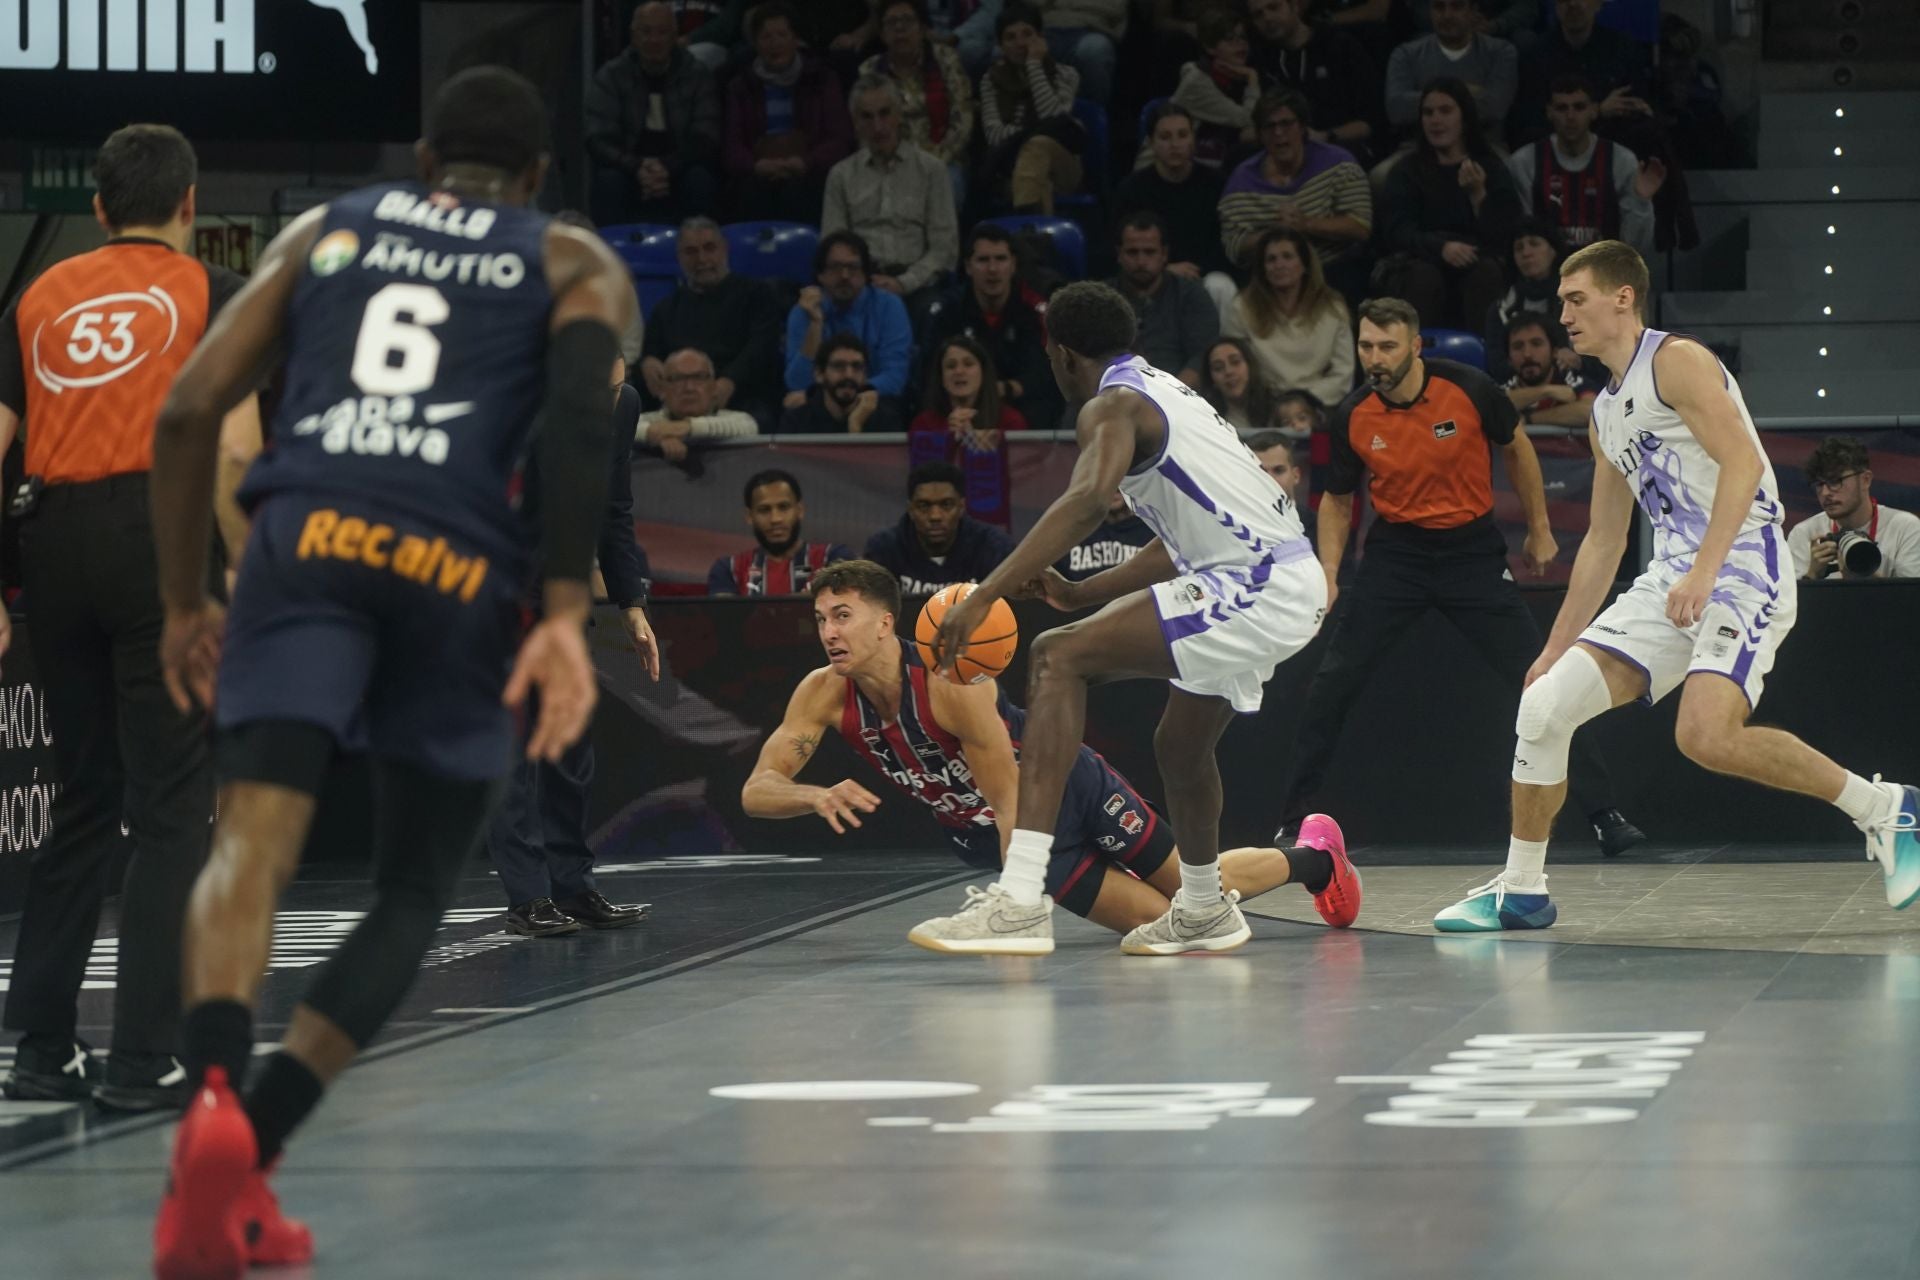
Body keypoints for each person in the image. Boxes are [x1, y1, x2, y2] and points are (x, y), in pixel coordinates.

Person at [144, 68, 634, 1275]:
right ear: (533, 180)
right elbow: (581, 427)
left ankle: (209, 1099)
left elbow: (190, 408)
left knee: (248, 845)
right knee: (413, 889)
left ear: (424, 160)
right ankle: (251, 1150)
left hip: (304, 538)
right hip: (452, 566)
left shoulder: (324, 229)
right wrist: (565, 611)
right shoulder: (574, 264)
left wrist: (182, 600)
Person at [1434, 241, 1920, 930]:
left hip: (1743, 566)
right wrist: (1556, 645)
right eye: (1563, 300)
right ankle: (1522, 889)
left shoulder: (1675, 360)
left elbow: (1746, 466)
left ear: (1622, 297)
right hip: (1671, 576)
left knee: (1705, 736)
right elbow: (1604, 540)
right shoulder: (1604, 410)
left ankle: (1887, 810)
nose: (1563, 312)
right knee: (1543, 706)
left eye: (1576, 298)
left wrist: (1704, 567)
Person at [913, 281, 1345, 956]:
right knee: (1180, 745)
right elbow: (1182, 535)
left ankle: (1021, 898)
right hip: (1278, 576)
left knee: (1058, 656)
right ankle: (1204, 909)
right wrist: (1084, 592)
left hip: (1259, 582)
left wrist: (982, 595)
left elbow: (1086, 500)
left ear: (1059, 353)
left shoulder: (1112, 405)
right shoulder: (1163, 388)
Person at [0, 124, 254, 1113]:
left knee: (82, 794)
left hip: (51, 546)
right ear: (190, 205)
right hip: (163, 540)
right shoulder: (212, 297)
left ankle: (38, 1045)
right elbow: (233, 453)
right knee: (172, 805)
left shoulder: (34, 300)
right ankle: (143, 1059)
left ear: (99, 208)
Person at [743, 560, 1355, 942]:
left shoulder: (953, 685)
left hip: (1064, 793)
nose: (828, 631)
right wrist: (812, 793)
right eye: (822, 617)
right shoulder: (821, 694)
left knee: (1194, 892)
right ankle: (1308, 858)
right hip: (1001, 837)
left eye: (842, 615)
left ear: (884, 623)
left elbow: (1011, 797)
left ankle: (1314, 858)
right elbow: (757, 789)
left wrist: (1017, 904)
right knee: (1168, 928)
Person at [1275, 297, 1641, 855]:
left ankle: (1605, 814)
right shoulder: (1352, 414)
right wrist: (1329, 570)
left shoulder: (1469, 388)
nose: (1375, 358)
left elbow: (1517, 448)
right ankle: (1292, 823)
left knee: (1542, 675)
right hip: (1396, 555)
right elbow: (1338, 499)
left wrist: (1540, 528)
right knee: (1332, 682)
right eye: (1367, 346)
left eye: (1388, 346)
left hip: (1471, 551)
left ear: (1415, 346)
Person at [489, 360, 659, 939]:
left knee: (569, 742)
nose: (606, 400)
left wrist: (630, 603)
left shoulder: (626, 405)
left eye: (613, 384)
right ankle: (527, 897)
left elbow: (613, 508)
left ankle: (574, 886)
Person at [1375, 77, 1523, 329]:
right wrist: (1441, 247)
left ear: (1464, 118)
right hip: (1418, 261)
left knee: (1485, 274)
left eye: (1445, 111)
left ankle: (1488, 361)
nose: (1435, 120)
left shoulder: (1490, 166)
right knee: (1423, 277)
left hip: (1477, 260)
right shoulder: (1407, 171)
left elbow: (1505, 235)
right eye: (1428, 112)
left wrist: (1478, 195)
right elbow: (1396, 231)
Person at [821, 77, 960, 336]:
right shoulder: (840, 175)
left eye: (885, 114)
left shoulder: (932, 170)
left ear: (899, 115)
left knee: (936, 312)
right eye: (867, 117)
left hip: (917, 284)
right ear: (855, 123)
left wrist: (903, 283)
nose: (878, 126)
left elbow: (944, 249)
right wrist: (860, 281)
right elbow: (833, 244)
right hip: (859, 283)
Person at [1218, 89, 1373, 301]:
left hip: (1332, 269)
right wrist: (1275, 233)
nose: (1279, 133)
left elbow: (1360, 226)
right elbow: (1234, 246)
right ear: (1260, 134)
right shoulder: (1241, 181)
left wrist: (1306, 224)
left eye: (1286, 123)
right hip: (1269, 277)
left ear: (1302, 127)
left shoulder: (1339, 164)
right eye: (1269, 126)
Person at [638, 217, 785, 429]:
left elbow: (762, 348)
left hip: (742, 399)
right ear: (679, 257)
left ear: (724, 249)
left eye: (709, 248)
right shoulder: (667, 308)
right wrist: (648, 362)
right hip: (680, 405)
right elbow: (650, 350)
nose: (702, 259)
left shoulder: (757, 295)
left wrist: (730, 381)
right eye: (691, 252)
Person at [586, 1, 721, 225]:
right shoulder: (611, 75)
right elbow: (597, 138)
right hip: (628, 169)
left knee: (700, 181)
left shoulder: (697, 74)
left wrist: (667, 167)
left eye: (662, 32)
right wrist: (637, 167)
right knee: (608, 182)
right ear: (633, 36)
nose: (654, 40)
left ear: (675, 35)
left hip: (680, 166)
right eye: (646, 32)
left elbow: (706, 135)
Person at [721, 1, 854, 224]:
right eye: (766, 37)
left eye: (782, 35)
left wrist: (806, 162)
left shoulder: (822, 78)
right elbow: (732, 146)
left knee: (802, 191)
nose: (775, 44)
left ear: (796, 39)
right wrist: (756, 166)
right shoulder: (740, 86)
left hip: (808, 170)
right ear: (755, 43)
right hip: (758, 172)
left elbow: (840, 139)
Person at [921, 223, 1060, 430]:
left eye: (1000, 259)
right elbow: (930, 371)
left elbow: (1043, 375)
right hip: (958, 402)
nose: (993, 269)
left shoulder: (1034, 310)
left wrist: (1002, 390)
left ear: (1013, 264)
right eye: (983, 260)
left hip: (1017, 405)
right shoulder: (947, 312)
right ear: (968, 267)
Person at [1509, 76, 1664, 254]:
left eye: (1579, 107)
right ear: (1549, 112)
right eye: (1561, 108)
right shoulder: (1525, 162)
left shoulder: (1621, 160)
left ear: (1594, 111)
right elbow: (1522, 240)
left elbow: (1635, 248)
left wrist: (1641, 202)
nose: (1570, 116)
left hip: (1605, 272)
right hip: (1548, 275)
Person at [1112, 103, 1235, 311]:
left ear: (1193, 140)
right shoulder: (1131, 190)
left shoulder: (1217, 185)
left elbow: (1224, 243)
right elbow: (1119, 249)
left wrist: (1195, 271)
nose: (1175, 144)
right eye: (1165, 137)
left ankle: (1223, 345)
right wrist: (1163, 268)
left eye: (1182, 135)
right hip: (1152, 277)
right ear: (1151, 142)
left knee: (1221, 285)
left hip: (1204, 276)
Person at [861, 0, 978, 208]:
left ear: (923, 29)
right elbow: (864, 130)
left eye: (907, 20)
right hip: (888, 162)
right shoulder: (869, 71)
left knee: (948, 186)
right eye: (891, 22)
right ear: (882, 34)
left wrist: (935, 160)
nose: (899, 28)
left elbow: (963, 119)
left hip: (943, 159)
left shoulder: (946, 60)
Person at [1221, 228, 1355, 407]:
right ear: (1263, 268)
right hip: (1262, 405)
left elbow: (1343, 371)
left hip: (1318, 405)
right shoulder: (1242, 307)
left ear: (1304, 264)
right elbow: (1235, 367)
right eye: (1271, 259)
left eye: (1287, 256)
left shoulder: (1332, 308)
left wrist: (1304, 401)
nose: (1279, 265)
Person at [911, 336, 1029, 529]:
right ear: (941, 376)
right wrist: (946, 437)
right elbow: (919, 479)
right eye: (950, 366)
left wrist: (986, 446)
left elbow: (1023, 478)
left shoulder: (1011, 420)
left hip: (1000, 524)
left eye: (968, 364)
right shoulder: (924, 423)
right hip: (938, 522)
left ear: (983, 371)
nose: (959, 371)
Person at [978, 3, 1085, 215]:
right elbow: (994, 135)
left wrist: (1034, 66)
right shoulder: (991, 80)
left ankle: (1024, 241)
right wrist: (1037, 131)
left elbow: (1056, 123)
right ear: (1000, 46)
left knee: (1040, 145)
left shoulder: (1066, 75)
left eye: (1027, 34)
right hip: (1011, 169)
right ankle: (1035, 242)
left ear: (1041, 39)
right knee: (1037, 180)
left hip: (1063, 164)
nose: (1020, 43)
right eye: (1010, 37)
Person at [782, 231, 913, 402]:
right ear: (821, 274)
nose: (844, 276)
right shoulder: (804, 311)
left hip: (874, 403)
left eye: (852, 268)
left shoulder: (889, 307)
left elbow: (895, 379)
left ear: (866, 274)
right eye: (835, 267)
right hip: (819, 408)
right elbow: (796, 384)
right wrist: (815, 324)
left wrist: (844, 395)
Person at [1246, 0, 1380, 164]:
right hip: (1282, 149)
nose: (1267, 18)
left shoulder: (1339, 46)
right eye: (1258, 14)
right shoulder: (1262, 60)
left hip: (1340, 145)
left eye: (1273, 7)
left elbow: (1370, 121)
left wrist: (1325, 136)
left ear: (1294, 7)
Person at [863, 460, 1016, 594]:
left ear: (961, 507)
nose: (935, 516)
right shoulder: (884, 549)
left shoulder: (993, 546)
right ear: (910, 509)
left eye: (946, 505)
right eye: (924, 506)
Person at [1108, 212, 1219, 387]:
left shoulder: (1190, 294)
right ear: (1119, 254)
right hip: (1114, 395)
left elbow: (1202, 357)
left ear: (1164, 254)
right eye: (1132, 252)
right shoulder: (1104, 300)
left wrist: (1169, 396)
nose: (1141, 261)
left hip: (1179, 395)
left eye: (1149, 252)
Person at [1789, 437, 1920, 582]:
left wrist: (1865, 576)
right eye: (1819, 484)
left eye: (1835, 481)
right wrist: (1812, 576)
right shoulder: (1804, 534)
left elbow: (1912, 600)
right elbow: (1788, 602)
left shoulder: (1906, 528)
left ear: (1865, 480)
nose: (1825, 493)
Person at [1384, 0, 1517, 141]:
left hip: (1484, 149)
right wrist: (1467, 91)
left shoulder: (1501, 52)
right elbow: (1397, 110)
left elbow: (1494, 107)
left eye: (1457, 6)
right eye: (1439, 7)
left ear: (1473, 11)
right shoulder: (1405, 54)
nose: (1447, 15)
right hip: (1416, 150)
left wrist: (1427, 99)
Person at [708, 469, 856, 595]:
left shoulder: (833, 557)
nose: (775, 519)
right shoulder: (729, 569)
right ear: (749, 516)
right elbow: (724, 622)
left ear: (800, 510)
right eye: (764, 510)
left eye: (784, 507)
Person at [1168, 8, 1264, 172]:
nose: (1240, 44)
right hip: (1167, 169)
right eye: (1229, 39)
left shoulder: (1233, 77)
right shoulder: (1197, 82)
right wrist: (1253, 79)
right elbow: (1247, 118)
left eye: (1242, 38)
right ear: (1210, 47)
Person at [1482, 218, 1575, 382]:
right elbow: (1497, 368)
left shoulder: (1579, 301)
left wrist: (1577, 361)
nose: (1526, 253)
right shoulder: (1499, 311)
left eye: (1534, 244)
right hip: (1520, 393)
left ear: (1553, 251)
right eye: (1519, 248)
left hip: (1574, 387)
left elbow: (1598, 361)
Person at [636, 348, 758, 461]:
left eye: (699, 377)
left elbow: (749, 426)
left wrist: (686, 427)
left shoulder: (736, 420)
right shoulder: (649, 420)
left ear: (714, 387)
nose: (689, 388)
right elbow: (620, 428)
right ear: (662, 389)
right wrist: (651, 433)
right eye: (678, 378)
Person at [778, 334, 905, 434]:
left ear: (865, 375)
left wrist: (856, 425)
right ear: (819, 374)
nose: (849, 375)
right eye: (838, 366)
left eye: (857, 367)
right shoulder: (796, 422)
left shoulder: (886, 421)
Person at [1503, 314, 1602, 429]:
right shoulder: (1505, 388)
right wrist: (1546, 391)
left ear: (1554, 352)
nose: (1527, 354)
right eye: (1518, 347)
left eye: (1536, 344)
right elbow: (1494, 406)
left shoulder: (1570, 380)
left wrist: (1529, 419)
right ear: (1509, 358)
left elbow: (1592, 411)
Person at [1034, 0, 1126, 107]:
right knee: (1021, 45)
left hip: (1091, 28)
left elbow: (1115, 8)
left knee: (1095, 50)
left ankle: (1091, 116)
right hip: (1045, 27)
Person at [1057, 489, 1157, 581]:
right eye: (1110, 481)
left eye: (1120, 480)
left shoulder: (1154, 530)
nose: (1114, 489)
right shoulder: (1071, 532)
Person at [1200, 336, 1285, 433]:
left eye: (1235, 362)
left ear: (1250, 366)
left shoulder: (1278, 409)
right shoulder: (1206, 418)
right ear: (1212, 380)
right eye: (1218, 368)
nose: (1228, 371)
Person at [1248, 427, 1308, 509]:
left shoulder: (1319, 521)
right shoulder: (1234, 519)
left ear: (1296, 476)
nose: (1270, 479)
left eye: (1278, 470)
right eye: (1261, 472)